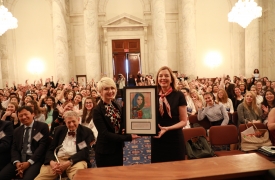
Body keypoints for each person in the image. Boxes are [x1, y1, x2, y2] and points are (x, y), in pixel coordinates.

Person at [93, 77, 140, 167]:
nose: (110, 91)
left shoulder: (115, 105)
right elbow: (105, 134)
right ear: (100, 92)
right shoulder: (97, 110)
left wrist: (125, 130)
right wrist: (128, 137)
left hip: (117, 148)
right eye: (106, 89)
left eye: (112, 88)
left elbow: (119, 124)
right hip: (105, 151)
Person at [34, 111, 94, 180]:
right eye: (68, 122)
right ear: (65, 122)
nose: (71, 124)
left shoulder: (86, 131)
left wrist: (69, 162)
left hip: (76, 160)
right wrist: (51, 162)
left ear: (78, 120)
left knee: (79, 178)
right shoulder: (59, 130)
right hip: (57, 160)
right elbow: (51, 149)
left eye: (73, 121)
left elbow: (84, 152)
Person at [0, 106, 49, 180]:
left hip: (35, 159)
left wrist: (29, 162)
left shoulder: (42, 127)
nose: (23, 117)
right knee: (2, 176)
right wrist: (17, 162)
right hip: (19, 159)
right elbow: (14, 148)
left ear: (33, 114)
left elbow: (42, 146)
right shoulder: (17, 130)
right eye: (20, 116)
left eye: (26, 114)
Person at [151, 66, 187, 163]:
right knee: (159, 169)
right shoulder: (151, 94)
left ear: (171, 79)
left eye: (166, 76)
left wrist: (167, 128)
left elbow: (184, 121)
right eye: (160, 76)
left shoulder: (179, 95)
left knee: (177, 169)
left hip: (174, 137)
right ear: (157, 79)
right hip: (157, 137)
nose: (163, 78)